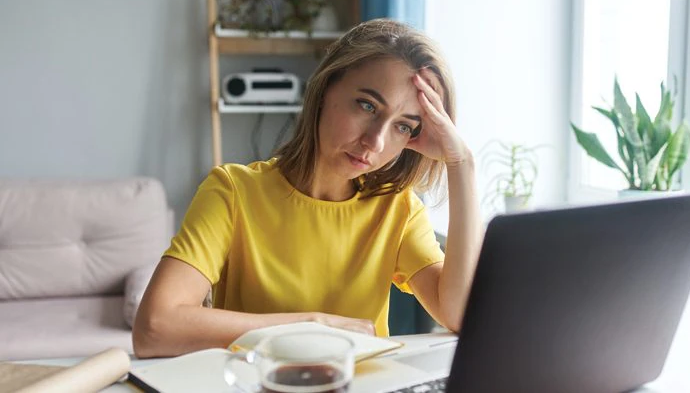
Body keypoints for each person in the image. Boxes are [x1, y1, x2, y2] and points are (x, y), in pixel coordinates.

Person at [132, 18, 483, 358]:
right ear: (325, 88)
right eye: (367, 106)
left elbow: (458, 316)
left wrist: (462, 164)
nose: (375, 142)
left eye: (403, 127)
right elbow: (154, 327)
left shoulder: (398, 209)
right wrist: (312, 325)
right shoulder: (233, 192)